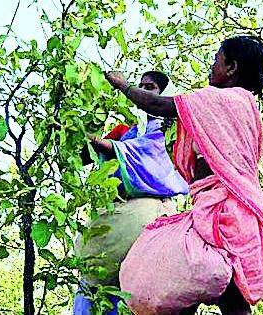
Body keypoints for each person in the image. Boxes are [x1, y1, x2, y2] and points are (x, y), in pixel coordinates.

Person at [105, 36, 263, 315]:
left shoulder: (218, 99)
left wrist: (122, 84)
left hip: (222, 211)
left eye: (216, 61)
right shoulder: (248, 109)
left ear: (231, 67)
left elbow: (158, 106)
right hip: (235, 210)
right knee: (224, 296)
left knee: (190, 283)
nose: (211, 67)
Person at [74, 71, 189, 315]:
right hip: (109, 218)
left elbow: (145, 153)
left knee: (136, 293)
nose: (144, 91)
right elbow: (82, 156)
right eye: (142, 86)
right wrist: (92, 115)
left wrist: (100, 142)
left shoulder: (174, 134)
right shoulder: (126, 131)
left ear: (164, 95)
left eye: (151, 88)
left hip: (148, 216)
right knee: (92, 290)